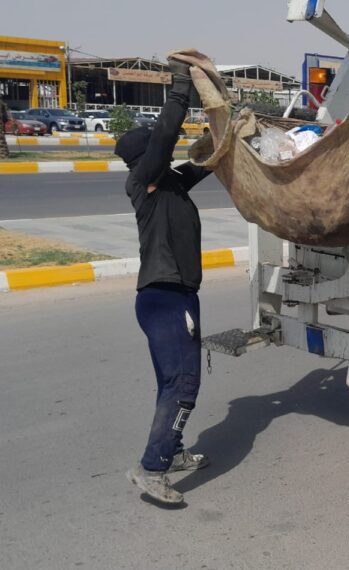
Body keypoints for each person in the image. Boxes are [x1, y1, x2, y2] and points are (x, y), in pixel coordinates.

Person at [116, 56, 213, 506]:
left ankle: (170, 453)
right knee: (184, 387)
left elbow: (206, 163)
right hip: (165, 298)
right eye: (156, 150)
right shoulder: (145, 180)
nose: (166, 154)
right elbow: (167, 136)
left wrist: (230, 134)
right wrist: (180, 88)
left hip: (173, 297)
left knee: (172, 383)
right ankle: (151, 468)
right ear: (145, 159)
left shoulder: (169, 183)